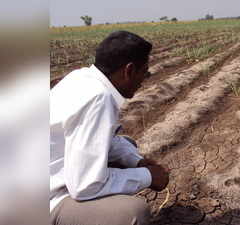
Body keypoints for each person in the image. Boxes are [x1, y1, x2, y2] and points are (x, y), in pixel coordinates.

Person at [50, 31, 169, 225]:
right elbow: (85, 185)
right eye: (144, 73)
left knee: (127, 145)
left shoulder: (81, 78)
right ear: (129, 70)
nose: (143, 80)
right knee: (133, 213)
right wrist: (148, 176)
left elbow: (108, 140)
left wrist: (137, 162)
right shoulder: (98, 98)